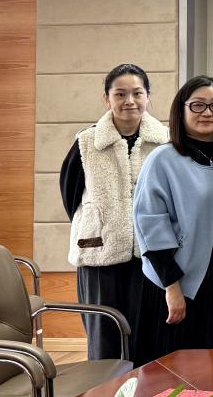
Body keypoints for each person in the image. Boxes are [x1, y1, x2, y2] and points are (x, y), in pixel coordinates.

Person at [60, 63, 169, 361]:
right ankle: (107, 392)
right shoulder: (86, 141)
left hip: (149, 256)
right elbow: (70, 194)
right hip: (100, 256)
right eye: (120, 94)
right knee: (105, 341)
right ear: (106, 98)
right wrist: (98, 222)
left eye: (137, 93)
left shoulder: (165, 142)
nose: (129, 101)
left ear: (148, 96)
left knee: (149, 341)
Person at [132, 76, 213, 366]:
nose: (207, 112)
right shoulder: (163, 159)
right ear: (181, 110)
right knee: (174, 377)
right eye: (197, 105)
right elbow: (150, 225)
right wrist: (172, 287)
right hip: (176, 284)